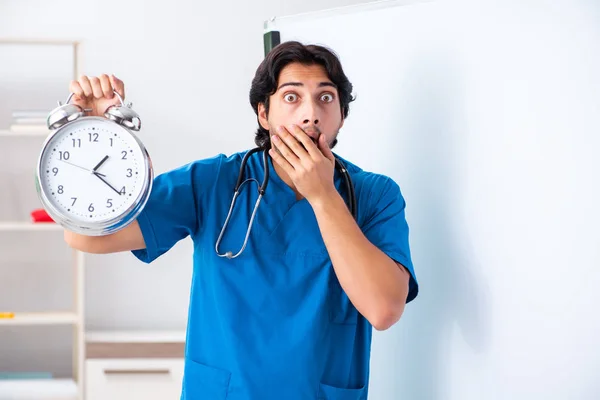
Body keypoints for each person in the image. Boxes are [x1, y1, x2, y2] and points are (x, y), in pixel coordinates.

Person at [64, 41, 419, 400]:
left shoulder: (375, 196)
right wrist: (95, 136)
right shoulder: (213, 182)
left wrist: (323, 196)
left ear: (342, 114)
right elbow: (87, 238)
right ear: (263, 113)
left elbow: (384, 309)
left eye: (325, 98)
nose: (311, 113)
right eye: (292, 97)